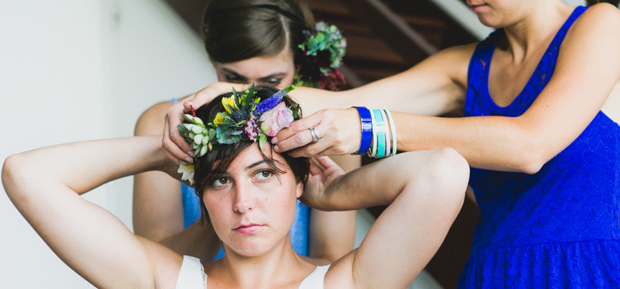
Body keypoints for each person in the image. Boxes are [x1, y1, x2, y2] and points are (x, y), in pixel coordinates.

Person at [163, 0, 620, 286]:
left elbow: (529, 145)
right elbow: (344, 101)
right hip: (493, 274)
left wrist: (369, 126)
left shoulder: (600, 27)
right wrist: (237, 96)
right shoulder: (464, 65)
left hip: (593, 269)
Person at [2, 85, 469, 288]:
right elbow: (25, 174)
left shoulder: (347, 283)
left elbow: (444, 171)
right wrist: (163, 154)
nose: (243, 203)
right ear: (200, 192)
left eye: (265, 173)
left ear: (299, 181)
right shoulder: (162, 280)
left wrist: (333, 195)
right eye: (221, 181)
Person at [133, 0, 358, 263]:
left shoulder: (332, 131)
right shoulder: (160, 122)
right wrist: (226, 207)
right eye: (232, 79)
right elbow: (152, 265)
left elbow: (331, 261)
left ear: (297, 64)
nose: (250, 96)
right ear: (212, 60)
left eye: (272, 80)